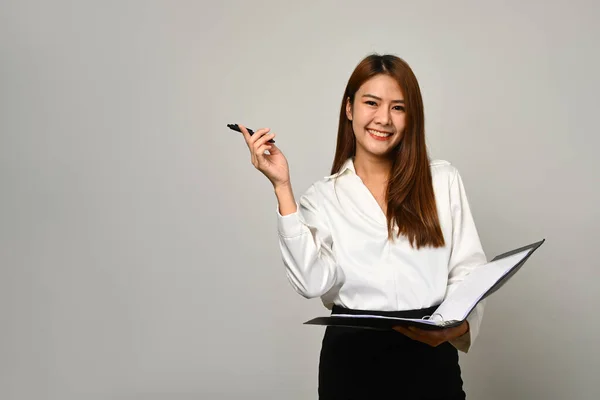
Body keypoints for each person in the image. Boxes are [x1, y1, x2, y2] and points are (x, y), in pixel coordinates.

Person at [237, 54, 487, 399]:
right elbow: (311, 283)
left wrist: (455, 327)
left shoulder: (442, 180)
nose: (383, 118)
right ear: (350, 108)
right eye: (372, 103)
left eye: (398, 107)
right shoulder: (323, 197)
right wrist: (282, 187)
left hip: (430, 355)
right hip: (353, 361)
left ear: (411, 116)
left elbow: (470, 272)